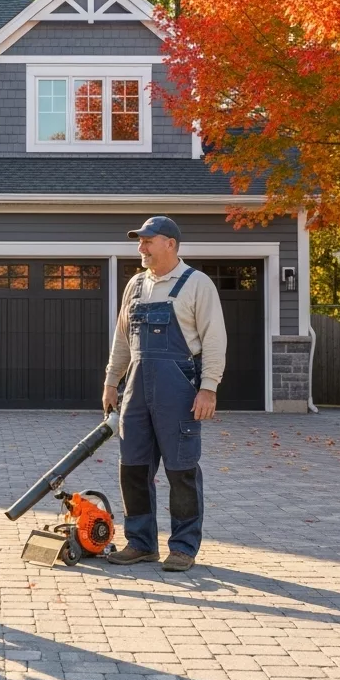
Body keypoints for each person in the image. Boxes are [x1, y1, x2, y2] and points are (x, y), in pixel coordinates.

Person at [102, 216, 227, 572]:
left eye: (147, 241)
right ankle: (140, 543)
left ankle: (183, 547)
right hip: (136, 390)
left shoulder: (196, 284)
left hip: (180, 391)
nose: (140, 248)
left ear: (170, 243)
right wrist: (112, 381)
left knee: (181, 469)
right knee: (133, 468)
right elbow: (122, 339)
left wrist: (208, 389)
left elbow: (215, 341)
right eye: (139, 242)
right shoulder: (135, 285)